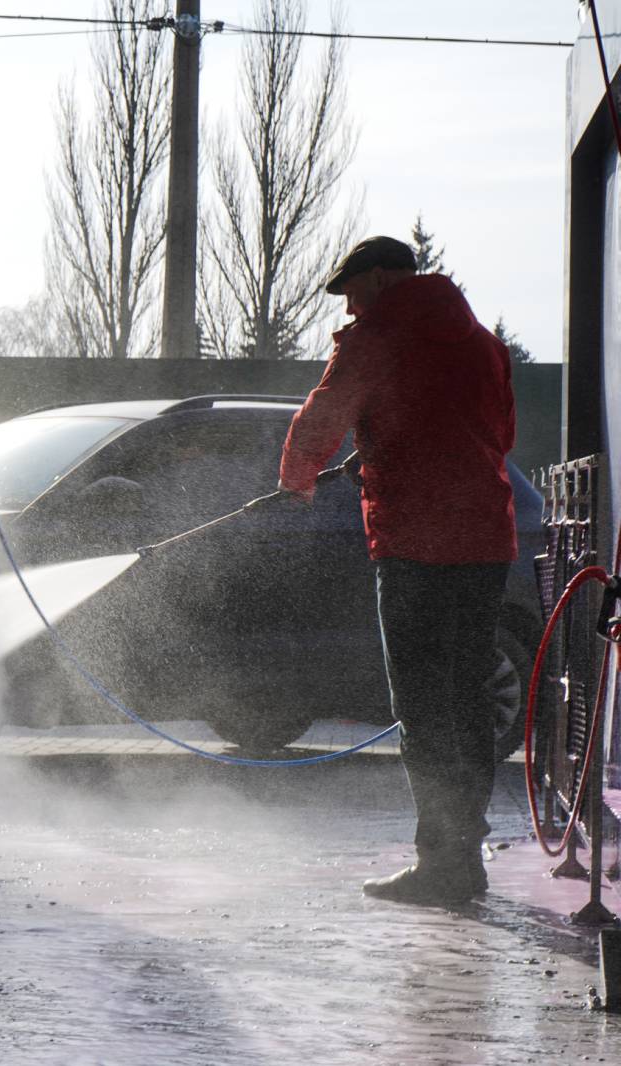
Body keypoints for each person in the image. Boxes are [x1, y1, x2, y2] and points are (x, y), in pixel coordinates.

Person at [277, 235, 517, 905]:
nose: (349, 307)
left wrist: (298, 479)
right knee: (466, 698)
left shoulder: (376, 337)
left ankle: (441, 865)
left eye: (351, 291)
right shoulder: (480, 342)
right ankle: (463, 852)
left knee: (422, 708)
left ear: (381, 280)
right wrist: (385, 450)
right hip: (484, 543)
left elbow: (323, 417)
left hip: (414, 545)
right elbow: (499, 436)